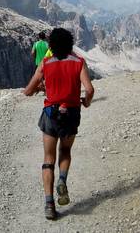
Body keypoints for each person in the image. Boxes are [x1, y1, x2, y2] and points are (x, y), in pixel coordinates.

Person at [24, 28, 95, 220]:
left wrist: (39, 88)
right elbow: (89, 89)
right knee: (65, 152)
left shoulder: (45, 63)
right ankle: (62, 181)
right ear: (70, 44)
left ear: (51, 46)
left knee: (48, 158)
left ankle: (49, 204)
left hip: (50, 115)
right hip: (71, 114)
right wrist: (86, 103)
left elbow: (28, 91)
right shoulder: (79, 62)